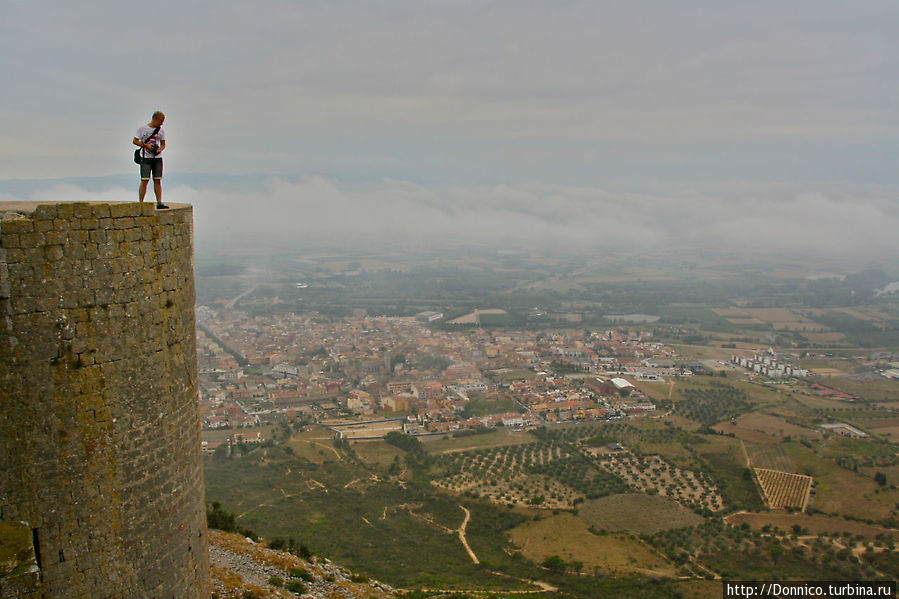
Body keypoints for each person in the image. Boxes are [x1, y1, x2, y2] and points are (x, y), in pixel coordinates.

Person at [133, 111, 168, 209]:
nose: (161, 124)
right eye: (160, 121)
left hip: (157, 158)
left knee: (157, 180)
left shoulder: (161, 131)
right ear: (155, 119)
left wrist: (159, 149)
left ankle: (159, 202)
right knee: (144, 180)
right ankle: (141, 203)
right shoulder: (142, 129)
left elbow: (163, 144)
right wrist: (146, 145)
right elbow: (135, 141)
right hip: (146, 158)